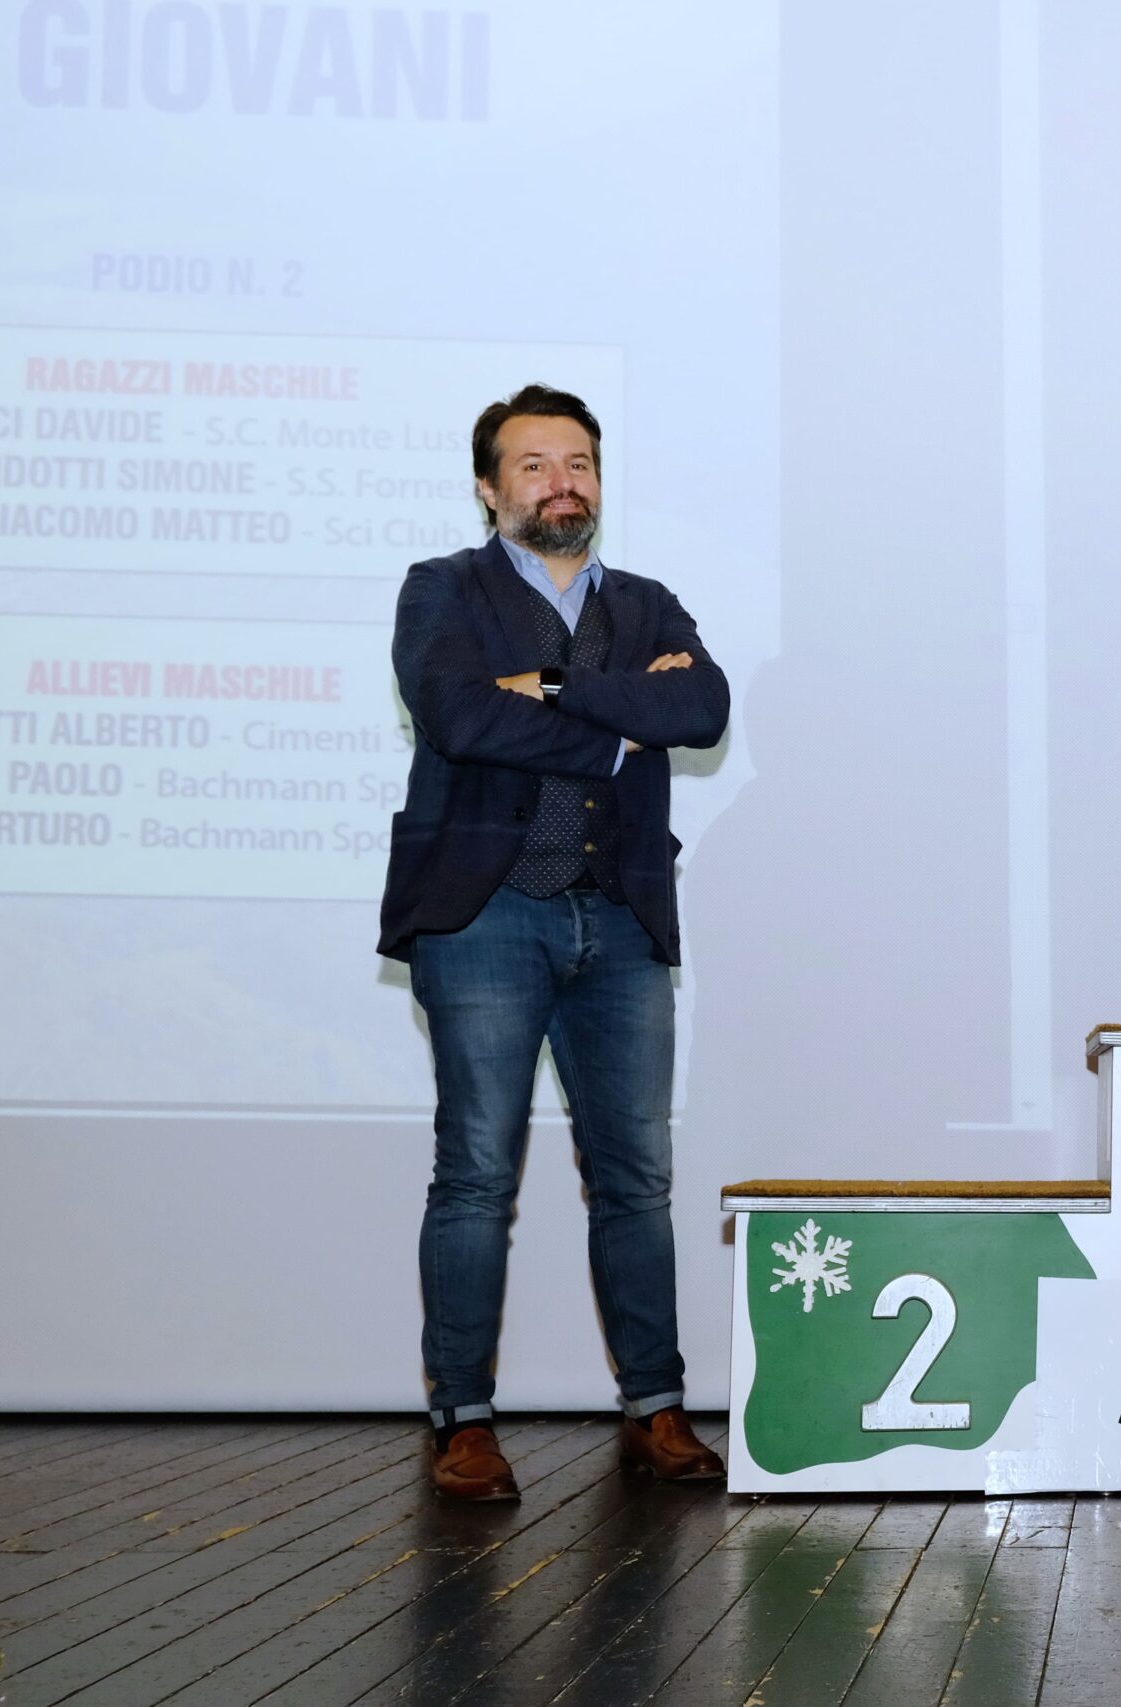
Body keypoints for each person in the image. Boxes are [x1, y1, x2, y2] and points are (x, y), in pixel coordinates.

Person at [382, 384, 732, 1500]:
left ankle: (655, 1407)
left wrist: (555, 686)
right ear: (490, 490)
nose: (560, 482)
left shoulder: (646, 603)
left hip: (621, 918)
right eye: (533, 465)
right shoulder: (443, 589)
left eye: (577, 463)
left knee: (637, 1178)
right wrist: (617, 730)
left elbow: (702, 711)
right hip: (485, 914)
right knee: (476, 1175)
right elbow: (457, 716)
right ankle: (463, 1420)